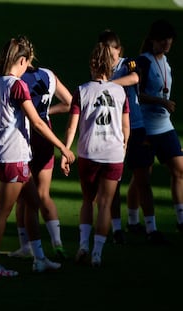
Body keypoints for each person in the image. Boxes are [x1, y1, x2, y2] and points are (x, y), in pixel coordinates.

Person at [0, 35, 75, 276]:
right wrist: (63, 147)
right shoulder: (17, 85)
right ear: (21, 60)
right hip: (14, 154)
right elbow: (38, 122)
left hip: (5, 152)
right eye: (27, 63)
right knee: (3, 210)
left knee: (33, 203)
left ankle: (39, 258)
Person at [61, 42, 130, 267]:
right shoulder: (120, 92)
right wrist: (124, 146)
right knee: (106, 203)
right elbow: (125, 126)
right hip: (113, 154)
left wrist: (65, 150)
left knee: (87, 200)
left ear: (92, 64)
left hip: (89, 152)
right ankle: (97, 254)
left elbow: (72, 127)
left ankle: (83, 246)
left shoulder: (82, 91)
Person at [8, 65, 72, 260]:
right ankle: (57, 243)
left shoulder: (14, 79)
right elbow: (69, 102)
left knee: (23, 197)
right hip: (46, 136)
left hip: (24, 137)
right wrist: (46, 113)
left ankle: (26, 246)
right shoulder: (49, 74)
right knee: (44, 194)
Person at [97, 30, 149, 245]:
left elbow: (135, 78)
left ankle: (143, 224)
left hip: (135, 126)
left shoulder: (129, 64)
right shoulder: (99, 69)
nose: (109, 58)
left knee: (141, 176)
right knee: (113, 182)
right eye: (105, 53)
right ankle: (117, 228)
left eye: (112, 53)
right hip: (111, 131)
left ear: (120, 51)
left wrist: (109, 84)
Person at [137, 19, 183, 238]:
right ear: (154, 40)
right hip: (145, 128)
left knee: (180, 170)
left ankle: (181, 219)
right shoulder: (142, 62)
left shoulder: (166, 63)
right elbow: (135, 94)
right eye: (163, 39)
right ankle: (149, 227)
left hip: (165, 126)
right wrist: (162, 102)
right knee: (143, 179)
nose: (167, 43)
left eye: (170, 39)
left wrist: (163, 103)